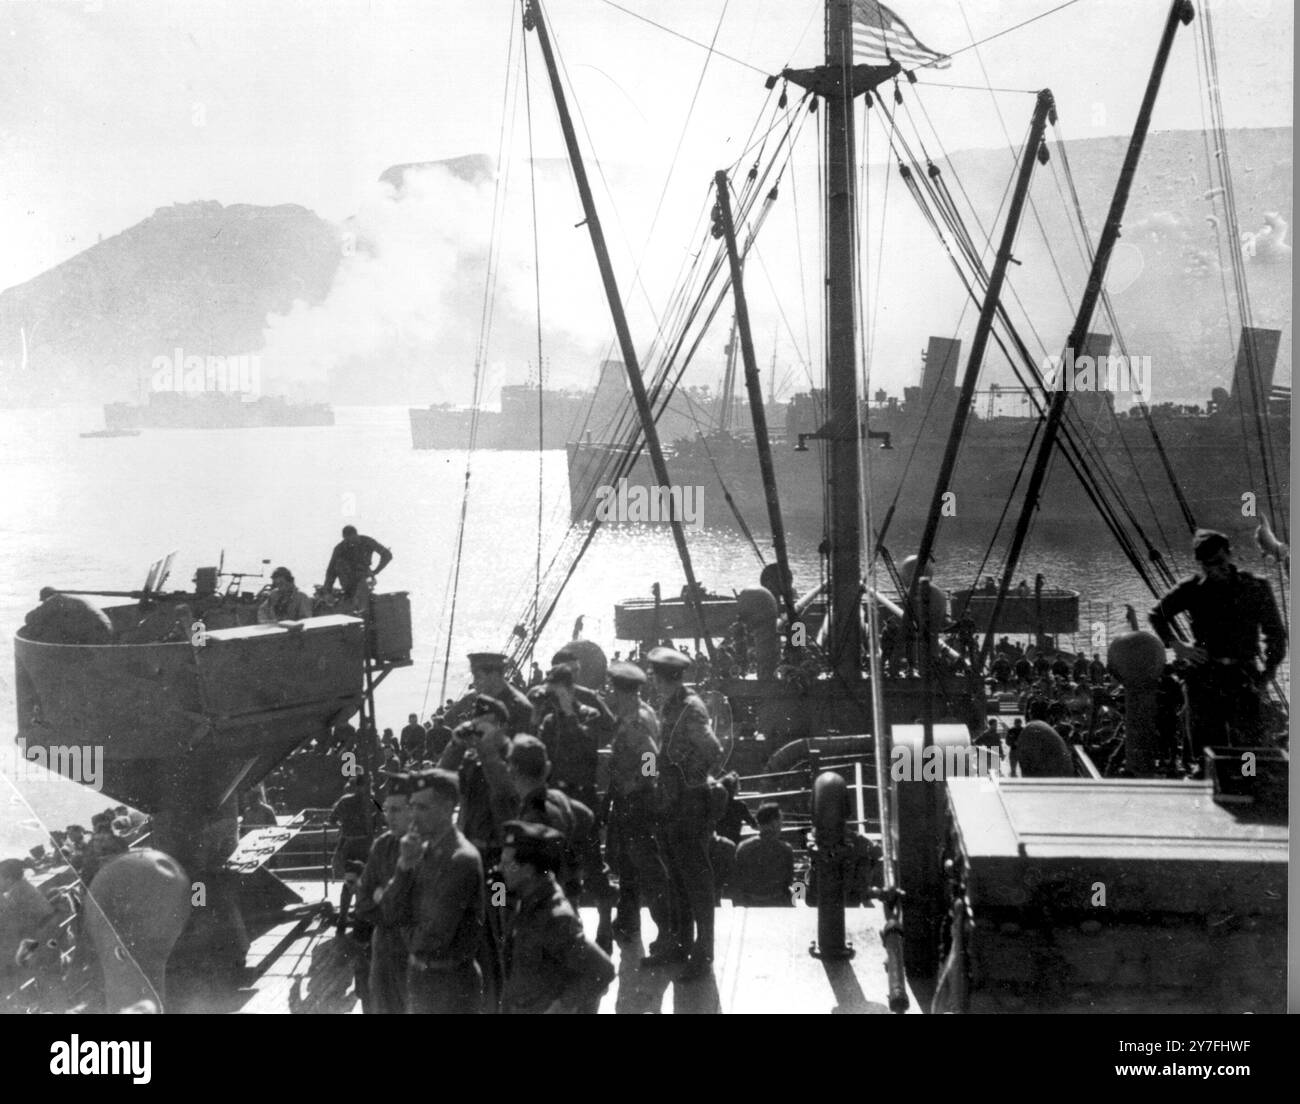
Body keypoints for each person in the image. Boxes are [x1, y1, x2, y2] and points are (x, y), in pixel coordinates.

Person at [1149, 528, 1287, 756]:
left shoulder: (1255, 588)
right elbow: (1157, 615)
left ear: (1230, 555)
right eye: (1210, 564)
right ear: (1202, 564)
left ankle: (1248, 783)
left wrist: (1267, 674)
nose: (1219, 569)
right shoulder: (1192, 589)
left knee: (1250, 750)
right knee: (1205, 749)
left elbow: (1277, 636)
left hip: (1244, 676)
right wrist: (1179, 646)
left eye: (1222, 561)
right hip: (1205, 677)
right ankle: (1206, 782)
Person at [643, 646, 723, 979]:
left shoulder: (690, 710)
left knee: (696, 881)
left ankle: (702, 954)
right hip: (672, 803)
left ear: (669, 678)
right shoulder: (670, 704)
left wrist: (687, 775)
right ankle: (680, 944)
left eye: (657, 677)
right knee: (675, 878)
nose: (654, 682)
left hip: (690, 803)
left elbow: (713, 750)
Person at [380, 769, 485, 1014]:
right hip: (421, 977)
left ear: (448, 808)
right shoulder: (421, 851)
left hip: (451, 982)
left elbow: (432, 938)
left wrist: (402, 925)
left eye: (423, 808)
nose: (414, 815)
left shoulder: (461, 859)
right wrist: (404, 865)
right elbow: (388, 912)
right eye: (413, 806)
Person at [498, 821, 615, 1014]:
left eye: (507, 864)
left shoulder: (555, 916)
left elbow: (602, 970)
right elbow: (499, 905)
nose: (500, 868)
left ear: (528, 870)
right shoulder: (524, 898)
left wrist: (561, 1007)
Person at [603, 660, 672, 945]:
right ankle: (628, 920)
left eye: (613, 689)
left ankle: (668, 928)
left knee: (647, 866)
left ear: (621, 690)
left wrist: (637, 785)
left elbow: (650, 756)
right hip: (629, 800)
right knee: (628, 865)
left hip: (636, 801)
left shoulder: (635, 720)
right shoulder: (641, 712)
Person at [355, 772, 414, 1014]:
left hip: (413, 954)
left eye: (396, 810)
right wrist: (387, 904)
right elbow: (362, 902)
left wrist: (382, 896)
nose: (389, 816)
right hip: (383, 951)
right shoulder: (382, 846)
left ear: (414, 810)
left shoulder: (429, 847)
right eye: (387, 809)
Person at [732, 803, 795, 906]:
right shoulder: (785, 849)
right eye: (780, 821)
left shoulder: (743, 847)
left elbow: (737, 880)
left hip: (749, 902)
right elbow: (788, 880)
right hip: (776, 902)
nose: (781, 825)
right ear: (774, 823)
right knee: (796, 892)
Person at [322, 525, 392, 613]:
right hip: (348, 582)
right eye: (347, 539)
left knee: (361, 597)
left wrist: (376, 571)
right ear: (344, 538)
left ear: (356, 534)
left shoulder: (366, 541)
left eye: (352, 537)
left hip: (364, 578)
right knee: (349, 603)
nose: (350, 541)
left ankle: (360, 612)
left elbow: (387, 555)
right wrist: (327, 592)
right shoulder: (339, 549)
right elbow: (331, 571)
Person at [23, 587, 114, 644]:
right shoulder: (72, 597)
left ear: (46, 598)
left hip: (94, 633)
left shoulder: (54, 600)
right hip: (106, 630)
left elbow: (30, 618)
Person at [1011, 699, 1074, 778]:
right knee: (997, 761)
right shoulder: (1017, 731)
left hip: (1001, 748)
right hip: (1001, 748)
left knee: (995, 763)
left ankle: (999, 772)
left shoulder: (1023, 730)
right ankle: (1001, 772)